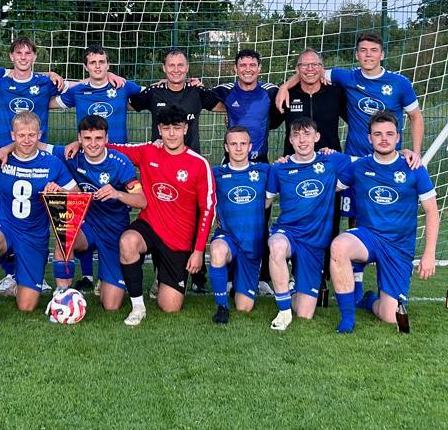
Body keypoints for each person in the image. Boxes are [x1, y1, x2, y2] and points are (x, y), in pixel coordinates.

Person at [327, 110, 439, 335]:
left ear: (398, 137)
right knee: (339, 246)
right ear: (369, 139)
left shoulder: (414, 168)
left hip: (399, 245)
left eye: (389, 134)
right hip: (368, 237)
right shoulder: (359, 166)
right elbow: (330, 187)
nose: (384, 139)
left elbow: (432, 212)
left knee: (390, 316)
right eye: (378, 134)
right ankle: (347, 320)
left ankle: (368, 300)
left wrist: (429, 254)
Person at [110, 105, 217, 325]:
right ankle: (137, 307)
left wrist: (198, 251)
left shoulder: (199, 164)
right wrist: (79, 143)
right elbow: (112, 148)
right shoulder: (148, 151)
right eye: (166, 128)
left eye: (176, 128)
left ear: (185, 129)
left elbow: (208, 209)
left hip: (178, 239)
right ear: (159, 129)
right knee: (128, 241)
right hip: (150, 225)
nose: (171, 133)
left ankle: (163, 275)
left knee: (170, 307)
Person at [0, 111, 79, 326]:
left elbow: (77, 194)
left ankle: (17, 277)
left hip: (34, 235)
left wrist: (59, 190)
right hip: (6, 227)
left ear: (39, 135)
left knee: (27, 306)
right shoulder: (0, 159)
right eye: (21, 135)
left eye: (31, 135)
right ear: (12, 135)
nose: (26, 140)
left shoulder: (52, 163)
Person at [277, 32, 422, 164]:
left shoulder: (400, 83)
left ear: (382, 55)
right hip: (354, 158)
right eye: (363, 50)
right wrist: (285, 86)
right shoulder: (346, 77)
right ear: (357, 55)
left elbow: (416, 117)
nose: (368, 55)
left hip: (388, 157)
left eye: (374, 50)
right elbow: (311, 72)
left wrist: (416, 153)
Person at [266, 118, 353, 329]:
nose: (302, 140)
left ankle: (292, 287)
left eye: (307, 134)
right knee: (276, 246)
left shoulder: (331, 162)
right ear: (290, 140)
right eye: (296, 135)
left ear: (317, 137)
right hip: (288, 233)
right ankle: (283, 311)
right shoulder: (279, 168)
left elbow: (366, 162)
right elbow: (265, 202)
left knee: (304, 314)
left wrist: (405, 152)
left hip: (314, 242)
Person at [57, 114, 146, 314]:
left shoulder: (120, 162)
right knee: (64, 235)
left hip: (114, 231)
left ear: (107, 138)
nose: (93, 144)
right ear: (79, 139)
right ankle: (61, 295)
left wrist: (118, 194)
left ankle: (107, 276)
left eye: (98, 138)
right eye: (87, 138)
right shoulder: (72, 156)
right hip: (86, 226)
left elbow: (142, 201)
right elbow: (36, 146)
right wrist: (6, 149)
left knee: (111, 306)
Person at [208, 125, 269, 324]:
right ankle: (222, 306)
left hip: (252, 245)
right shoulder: (215, 174)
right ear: (226, 147)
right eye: (233, 144)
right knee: (217, 250)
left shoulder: (264, 171)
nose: (238, 148)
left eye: (243, 143)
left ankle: (237, 283)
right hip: (228, 237)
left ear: (250, 146)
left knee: (244, 307)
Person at [129, 48, 218, 154]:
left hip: (190, 158)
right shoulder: (154, 92)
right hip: (159, 157)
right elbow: (124, 105)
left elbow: (226, 106)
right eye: (171, 65)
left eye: (180, 65)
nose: (176, 70)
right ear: (164, 68)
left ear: (187, 67)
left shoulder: (197, 92)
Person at [205, 48, 282, 162]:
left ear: (259, 68)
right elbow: (203, 97)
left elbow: (279, 115)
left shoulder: (271, 91)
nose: (248, 69)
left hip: (260, 160)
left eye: (252, 65)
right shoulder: (225, 90)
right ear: (235, 68)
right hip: (232, 161)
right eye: (243, 65)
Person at [57, 45, 146, 144]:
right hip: (89, 150)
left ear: (108, 65)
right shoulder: (76, 91)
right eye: (92, 63)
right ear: (85, 67)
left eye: (101, 62)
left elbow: (152, 92)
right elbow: (46, 102)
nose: (97, 66)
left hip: (119, 150)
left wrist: (163, 82)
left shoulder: (122, 86)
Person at [279, 49, 345, 156]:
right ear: (297, 69)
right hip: (296, 162)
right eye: (304, 65)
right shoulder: (286, 94)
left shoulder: (336, 92)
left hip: (329, 159)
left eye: (315, 64)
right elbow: (269, 124)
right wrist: (284, 87)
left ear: (321, 68)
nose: (310, 68)